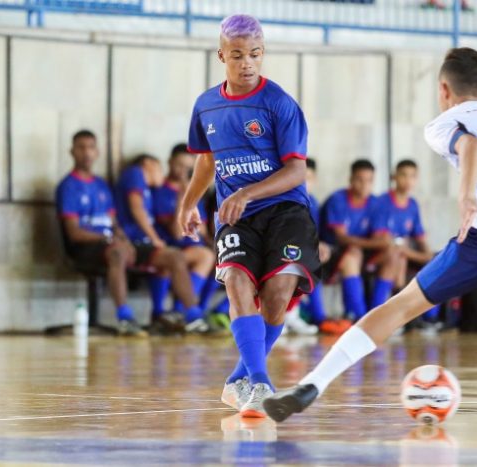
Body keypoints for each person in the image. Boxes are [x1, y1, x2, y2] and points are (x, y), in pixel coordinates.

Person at [263, 47, 477, 433]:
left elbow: (472, 145)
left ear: (443, 89)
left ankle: (311, 384)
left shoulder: (448, 120)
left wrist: (467, 197)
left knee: (403, 305)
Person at [177, 14, 320, 418]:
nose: (247, 63)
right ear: (221, 55)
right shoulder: (206, 105)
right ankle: (259, 382)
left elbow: (296, 170)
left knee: (276, 298)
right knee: (237, 281)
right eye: (237, 55)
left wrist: (247, 192)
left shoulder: (279, 104)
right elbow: (206, 162)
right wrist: (188, 204)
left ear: (263, 54)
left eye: (254, 54)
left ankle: (237, 379)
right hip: (234, 215)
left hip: (284, 209)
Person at [56, 130, 147, 337]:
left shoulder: (101, 185)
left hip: (113, 243)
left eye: (91, 147)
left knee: (170, 256)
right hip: (85, 249)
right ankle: (125, 318)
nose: (86, 152)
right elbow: (74, 233)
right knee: (117, 252)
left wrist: (125, 240)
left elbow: (113, 224)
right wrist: (110, 240)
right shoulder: (68, 186)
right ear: (72, 151)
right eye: (81, 147)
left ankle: (189, 317)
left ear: (97, 152)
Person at [114, 154, 206, 333]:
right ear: (147, 163)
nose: (161, 173)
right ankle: (129, 317)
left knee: (173, 257)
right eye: (159, 167)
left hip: (143, 243)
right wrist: (155, 238)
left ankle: (192, 316)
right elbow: (137, 209)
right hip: (133, 242)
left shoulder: (146, 187)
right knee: (172, 254)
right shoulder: (135, 173)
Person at [153, 144, 216, 323]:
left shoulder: (196, 192)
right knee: (204, 256)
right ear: (170, 162)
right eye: (179, 165)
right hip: (170, 246)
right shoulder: (160, 191)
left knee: (219, 256)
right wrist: (182, 198)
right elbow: (177, 233)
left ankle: (191, 310)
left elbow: (200, 229)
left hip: (192, 246)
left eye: (188, 168)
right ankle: (183, 310)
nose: (183, 172)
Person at [319, 159, 388, 322]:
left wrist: (379, 243)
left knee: (395, 255)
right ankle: (359, 316)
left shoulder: (375, 202)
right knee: (352, 254)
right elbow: (341, 238)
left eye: (369, 180)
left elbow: (383, 240)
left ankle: (379, 315)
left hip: (361, 252)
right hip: (329, 252)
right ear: (351, 179)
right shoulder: (338, 199)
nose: (364, 185)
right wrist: (374, 242)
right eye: (359, 179)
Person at [295, 158, 351, 335]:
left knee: (316, 256)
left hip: (301, 251)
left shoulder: (313, 202)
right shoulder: (284, 200)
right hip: (282, 250)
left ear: (314, 179)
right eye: (299, 177)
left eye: (308, 177)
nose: (304, 182)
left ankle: (318, 317)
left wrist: (321, 245)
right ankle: (306, 315)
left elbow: (312, 234)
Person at [369, 159, 432, 311]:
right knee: (397, 255)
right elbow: (380, 239)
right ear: (394, 177)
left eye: (412, 176)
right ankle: (378, 310)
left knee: (435, 260)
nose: (408, 180)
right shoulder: (382, 202)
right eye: (403, 175)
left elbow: (421, 238)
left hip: (404, 252)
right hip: (379, 255)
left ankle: (430, 317)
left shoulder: (413, 205)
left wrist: (427, 255)